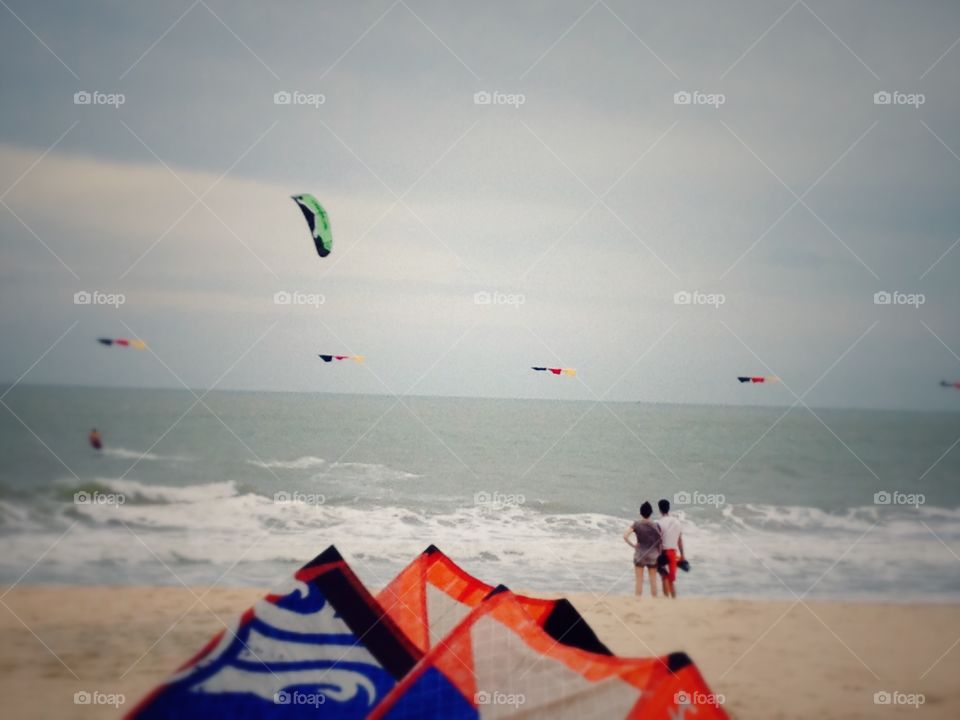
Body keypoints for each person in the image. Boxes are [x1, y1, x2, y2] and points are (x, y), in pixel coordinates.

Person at [623, 501, 661, 597]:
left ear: (640, 513)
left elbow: (625, 536)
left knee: (639, 581)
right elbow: (660, 540)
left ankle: (638, 602)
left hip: (640, 555)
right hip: (653, 555)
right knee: (653, 581)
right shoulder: (656, 525)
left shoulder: (636, 524)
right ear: (651, 512)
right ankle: (655, 602)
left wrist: (634, 546)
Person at [657, 498, 684, 598]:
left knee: (664, 577)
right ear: (669, 509)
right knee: (671, 578)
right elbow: (679, 540)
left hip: (662, 553)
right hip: (673, 552)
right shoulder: (676, 522)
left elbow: (658, 541)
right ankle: (673, 599)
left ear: (660, 510)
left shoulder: (659, 523)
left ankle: (666, 599)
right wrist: (682, 555)